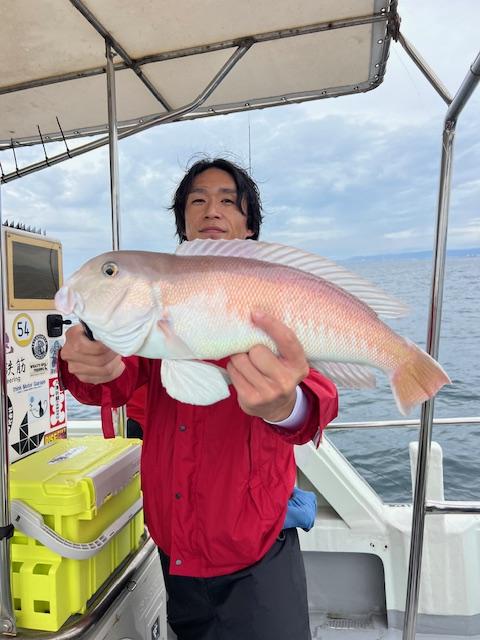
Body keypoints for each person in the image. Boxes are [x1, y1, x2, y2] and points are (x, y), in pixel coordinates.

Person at [58, 157, 338, 640]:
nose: (212, 209)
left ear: (250, 227)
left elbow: (318, 400)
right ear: (183, 223)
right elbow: (112, 381)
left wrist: (285, 406)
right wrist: (85, 360)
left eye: (229, 201)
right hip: (176, 553)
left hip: (256, 553)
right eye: (198, 200)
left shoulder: (275, 296)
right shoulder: (150, 305)